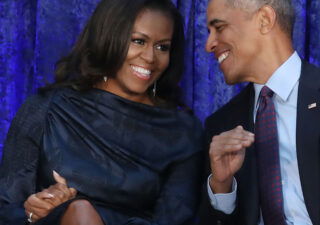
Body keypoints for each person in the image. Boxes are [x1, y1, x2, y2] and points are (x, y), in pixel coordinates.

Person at [0, 0, 204, 224]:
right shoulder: (46, 108)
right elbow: (6, 207)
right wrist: (36, 211)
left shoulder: (183, 131)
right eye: (138, 41)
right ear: (108, 38)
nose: (150, 57)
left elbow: (175, 219)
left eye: (162, 47)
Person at [198, 0, 320, 224]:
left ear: (264, 20)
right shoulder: (221, 125)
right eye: (208, 32)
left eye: (220, 28)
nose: (208, 44)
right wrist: (222, 185)